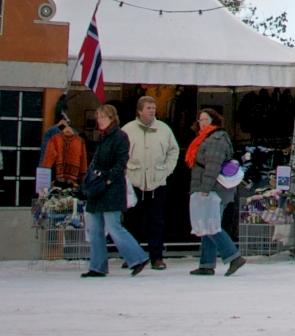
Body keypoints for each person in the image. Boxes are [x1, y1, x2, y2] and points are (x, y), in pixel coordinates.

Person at [83, 104, 150, 278]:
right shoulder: (103, 137)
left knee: (114, 226)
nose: (99, 121)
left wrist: (109, 179)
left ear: (112, 118)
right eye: (98, 118)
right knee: (95, 229)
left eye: (103, 118)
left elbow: (122, 161)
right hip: (98, 189)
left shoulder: (120, 136)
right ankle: (97, 267)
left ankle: (138, 258)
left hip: (111, 188)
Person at [122, 95, 180, 270]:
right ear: (139, 111)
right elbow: (120, 153)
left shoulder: (164, 129)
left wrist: (167, 170)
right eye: (148, 108)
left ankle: (157, 257)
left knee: (156, 221)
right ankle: (133, 257)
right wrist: (126, 173)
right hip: (134, 182)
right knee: (133, 221)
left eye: (153, 108)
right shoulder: (127, 130)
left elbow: (173, 150)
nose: (152, 110)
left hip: (157, 183)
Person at [187, 108, 246, 276]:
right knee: (207, 224)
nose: (202, 123)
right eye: (200, 120)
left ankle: (233, 256)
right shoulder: (206, 138)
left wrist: (205, 189)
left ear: (214, 120)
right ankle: (206, 264)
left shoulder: (215, 138)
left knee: (211, 225)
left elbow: (212, 165)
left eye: (206, 119)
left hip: (214, 189)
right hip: (210, 188)